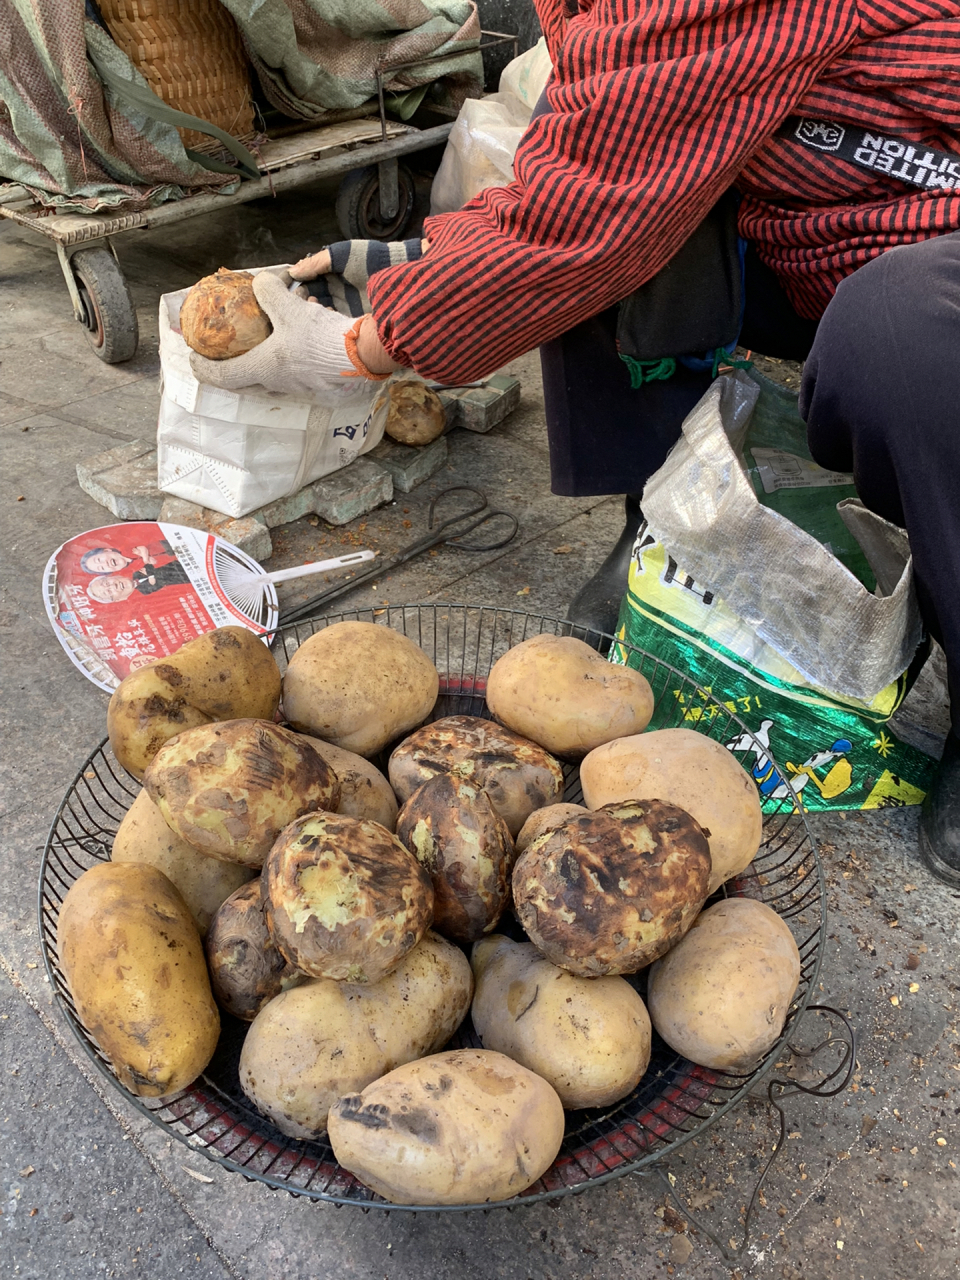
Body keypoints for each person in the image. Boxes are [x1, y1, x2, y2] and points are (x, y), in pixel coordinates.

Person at [191, 0, 960, 885]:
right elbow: (604, 129)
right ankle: (663, 515)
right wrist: (419, 266)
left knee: (891, 332)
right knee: (637, 178)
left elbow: (586, 211)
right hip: (833, 212)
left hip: (928, 255)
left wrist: (355, 349)